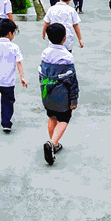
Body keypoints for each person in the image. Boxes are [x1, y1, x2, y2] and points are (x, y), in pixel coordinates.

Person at [39, 23, 79, 166]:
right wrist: (74, 99)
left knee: (52, 116)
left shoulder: (45, 53)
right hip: (62, 94)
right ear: (64, 38)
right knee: (64, 118)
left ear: (48, 38)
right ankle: (52, 142)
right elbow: (72, 80)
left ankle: (53, 146)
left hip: (47, 92)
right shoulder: (67, 57)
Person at [0, 19, 27, 132]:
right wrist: (22, 77)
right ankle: (6, 123)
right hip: (9, 82)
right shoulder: (14, 47)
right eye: (14, 33)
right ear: (9, 33)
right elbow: (18, 63)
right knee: (8, 102)